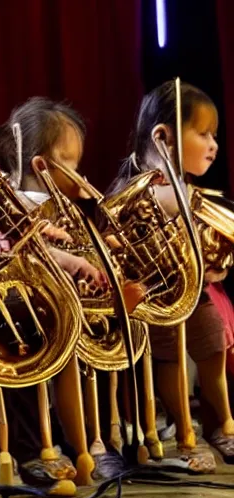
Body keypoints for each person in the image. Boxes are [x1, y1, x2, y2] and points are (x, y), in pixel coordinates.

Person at [0, 97, 108, 490]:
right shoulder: (0, 198)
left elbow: (71, 254)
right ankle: (28, 453)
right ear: (37, 160)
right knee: (24, 331)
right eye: (67, 160)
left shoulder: (62, 210)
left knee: (70, 340)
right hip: (2, 309)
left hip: (46, 305)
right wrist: (69, 261)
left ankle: (82, 448)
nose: (75, 172)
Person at [107, 80, 234, 465]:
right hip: (156, 298)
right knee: (172, 360)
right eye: (203, 133)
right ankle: (184, 430)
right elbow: (114, 238)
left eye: (215, 134)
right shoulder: (137, 188)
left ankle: (225, 423)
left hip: (192, 292)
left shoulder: (188, 189)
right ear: (163, 135)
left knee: (213, 344)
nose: (213, 144)